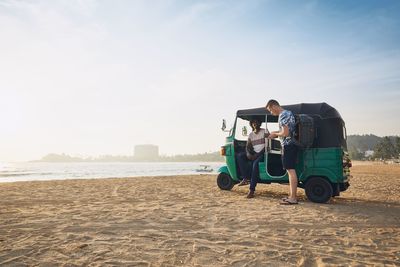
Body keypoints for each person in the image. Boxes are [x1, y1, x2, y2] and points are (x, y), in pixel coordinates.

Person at [266, 99, 299, 205]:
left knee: (291, 171)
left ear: (273, 106)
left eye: (270, 110)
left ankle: (293, 198)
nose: (271, 113)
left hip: (288, 145)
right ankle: (291, 196)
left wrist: (275, 135)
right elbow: (288, 131)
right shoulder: (289, 113)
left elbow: (285, 133)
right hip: (292, 144)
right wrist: (275, 132)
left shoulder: (282, 115)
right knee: (291, 170)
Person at [236, 119, 269, 198]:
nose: (255, 123)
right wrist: (248, 154)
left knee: (255, 164)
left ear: (260, 123)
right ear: (251, 124)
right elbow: (248, 146)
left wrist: (257, 155)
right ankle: (245, 178)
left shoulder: (264, 131)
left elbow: (267, 145)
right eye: (253, 122)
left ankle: (251, 190)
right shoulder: (251, 135)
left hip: (263, 153)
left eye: (256, 122)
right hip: (254, 153)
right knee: (240, 156)